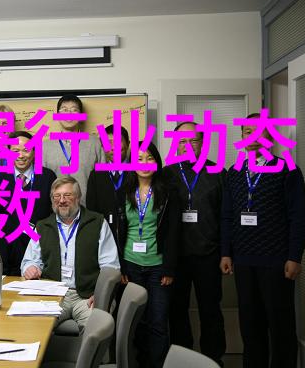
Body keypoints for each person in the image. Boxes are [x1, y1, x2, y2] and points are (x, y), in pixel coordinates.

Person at [220, 113, 305, 368]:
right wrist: (226, 252)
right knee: (250, 325)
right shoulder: (234, 172)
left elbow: (298, 217)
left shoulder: (287, 169)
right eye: (248, 132)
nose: (254, 137)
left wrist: (295, 257)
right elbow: (227, 215)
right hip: (243, 260)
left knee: (280, 326)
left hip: (276, 261)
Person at [21, 177, 120, 331]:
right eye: (57, 196)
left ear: (78, 197)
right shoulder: (42, 226)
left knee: (96, 328)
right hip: (53, 296)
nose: (61, 200)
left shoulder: (98, 222)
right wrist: (30, 268)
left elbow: (110, 267)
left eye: (67, 195)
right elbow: (29, 261)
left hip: (88, 297)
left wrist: (101, 294)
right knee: (34, 326)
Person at [163, 122, 226, 365]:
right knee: (177, 312)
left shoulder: (218, 172)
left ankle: (213, 359)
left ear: (203, 143)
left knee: (211, 311)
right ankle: (183, 360)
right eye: (181, 141)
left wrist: (226, 253)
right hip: (176, 258)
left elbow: (226, 216)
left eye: (193, 140)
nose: (187, 146)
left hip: (209, 255)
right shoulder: (166, 174)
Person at [116, 142, 180, 368]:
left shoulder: (168, 193)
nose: (144, 164)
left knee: (158, 322)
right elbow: (119, 231)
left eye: (149, 158)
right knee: (137, 321)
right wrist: (121, 267)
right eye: (139, 159)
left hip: (158, 267)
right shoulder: (123, 192)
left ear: (157, 162)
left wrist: (169, 268)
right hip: (131, 265)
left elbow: (173, 232)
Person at [0, 131, 57, 275]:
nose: (21, 155)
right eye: (15, 151)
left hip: (40, 244)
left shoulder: (47, 176)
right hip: (9, 245)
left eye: (26, 150)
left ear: (34, 152)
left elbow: (54, 212)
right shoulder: (0, 178)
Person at [42, 94, 105, 206]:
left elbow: (103, 180)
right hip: (55, 210)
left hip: (88, 209)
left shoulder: (94, 143)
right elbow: (41, 182)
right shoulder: (44, 147)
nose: (69, 114)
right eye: (64, 110)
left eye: (74, 110)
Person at [86, 124, 130, 245]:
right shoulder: (96, 175)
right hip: (104, 238)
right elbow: (92, 211)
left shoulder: (138, 172)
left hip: (132, 238)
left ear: (128, 143)